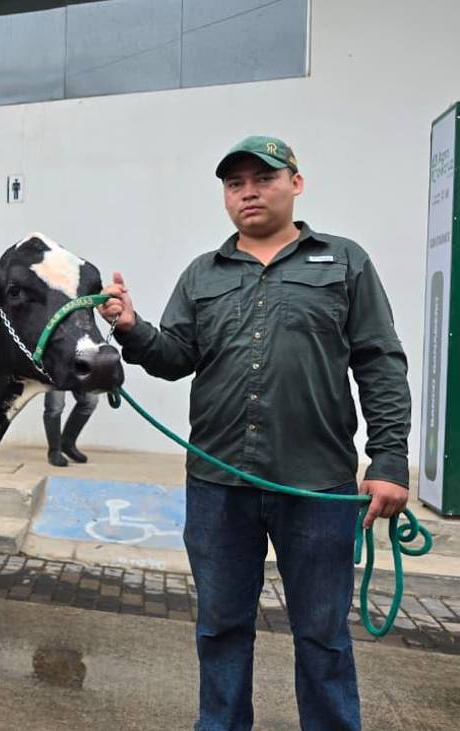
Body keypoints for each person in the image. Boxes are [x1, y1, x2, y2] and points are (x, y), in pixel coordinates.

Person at [99, 136, 410, 731]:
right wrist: (133, 328)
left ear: (295, 183)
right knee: (220, 627)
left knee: (321, 635)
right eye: (234, 182)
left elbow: (379, 361)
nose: (248, 191)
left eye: (262, 178)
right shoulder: (202, 273)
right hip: (219, 483)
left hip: (317, 486)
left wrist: (390, 460)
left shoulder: (344, 261)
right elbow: (175, 356)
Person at [43, 389, 97, 466]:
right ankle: (54, 451)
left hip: (80, 376)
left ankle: (67, 443)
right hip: (56, 376)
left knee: (90, 401)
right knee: (55, 407)